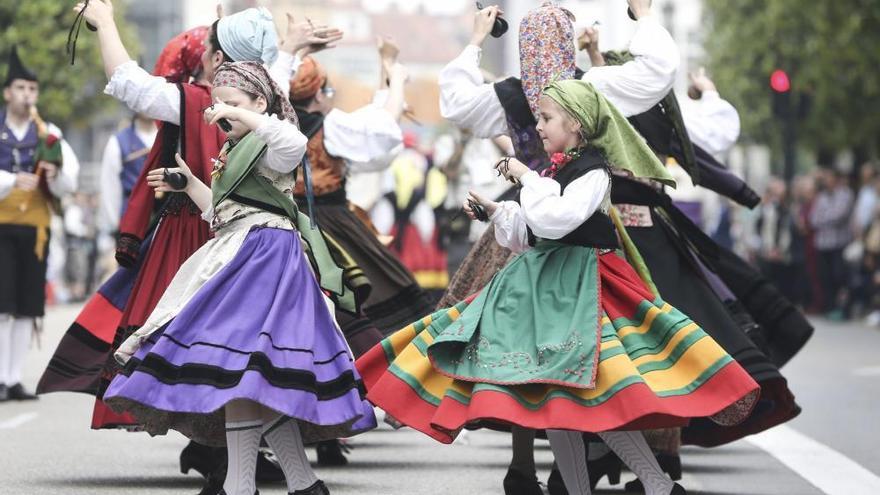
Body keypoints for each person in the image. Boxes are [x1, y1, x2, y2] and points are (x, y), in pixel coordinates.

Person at [358, 80, 761, 495]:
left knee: (589, 400)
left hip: (582, 291)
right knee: (558, 406)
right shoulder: (559, 170)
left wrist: (526, 177)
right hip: (547, 287)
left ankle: (657, 484)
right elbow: (532, 233)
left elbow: (558, 219)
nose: (540, 125)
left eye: (547, 118)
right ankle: (632, 487)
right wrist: (498, 212)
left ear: (577, 124)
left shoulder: (593, 172)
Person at [104, 60, 374, 495]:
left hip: (268, 260)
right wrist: (189, 183)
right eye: (217, 104)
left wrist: (247, 117)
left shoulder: (270, 140)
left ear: (259, 104)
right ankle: (296, 485)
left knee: (246, 372)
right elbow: (222, 213)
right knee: (247, 376)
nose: (220, 112)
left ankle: (247, 486)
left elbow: (294, 141)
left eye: (231, 104)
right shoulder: (233, 151)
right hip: (239, 255)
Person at [0, 45, 80, 402]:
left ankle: (14, 377)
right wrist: (9, 181)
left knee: (28, 304)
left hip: (35, 229)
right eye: (20, 88)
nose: (27, 95)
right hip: (1, 225)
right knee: (2, 303)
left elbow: (70, 182)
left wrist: (56, 173)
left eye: (32, 89)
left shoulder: (49, 132)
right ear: (7, 92)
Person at [98, 113, 157, 237]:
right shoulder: (118, 141)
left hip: (165, 215)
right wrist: (114, 224)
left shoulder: (170, 135)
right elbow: (110, 186)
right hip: (131, 216)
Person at [810, 167, 855, 319]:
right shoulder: (821, 197)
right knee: (825, 276)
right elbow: (813, 219)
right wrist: (825, 218)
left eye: (829, 179)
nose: (826, 182)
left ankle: (842, 307)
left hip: (839, 244)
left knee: (839, 275)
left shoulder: (845, 194)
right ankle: (829, 307)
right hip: (823, 244)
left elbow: (839, 216)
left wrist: (823, 218)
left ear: (835, 180)